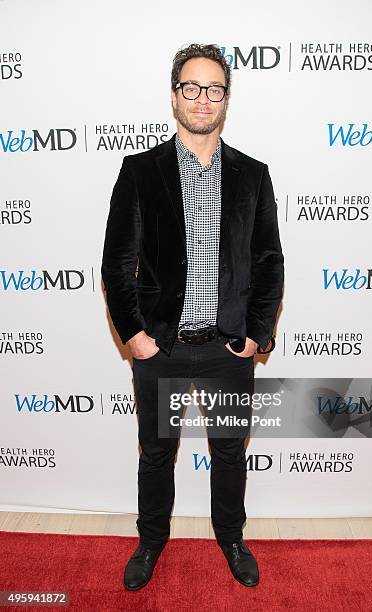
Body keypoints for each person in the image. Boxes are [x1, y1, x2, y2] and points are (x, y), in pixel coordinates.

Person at [101, 43, 284, 591]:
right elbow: (117, 261)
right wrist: (134, 334)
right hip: (162, 346)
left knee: (228, 453)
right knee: (157, 454)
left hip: (227, 350)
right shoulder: (140, 171)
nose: (202, 99)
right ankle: (151, 541)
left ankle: (231, 537)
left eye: (214, 89)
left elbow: (269, 260)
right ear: (175, 94)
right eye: (191, 87)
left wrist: (256, 335)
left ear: (226, 98)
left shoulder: (253, 175)